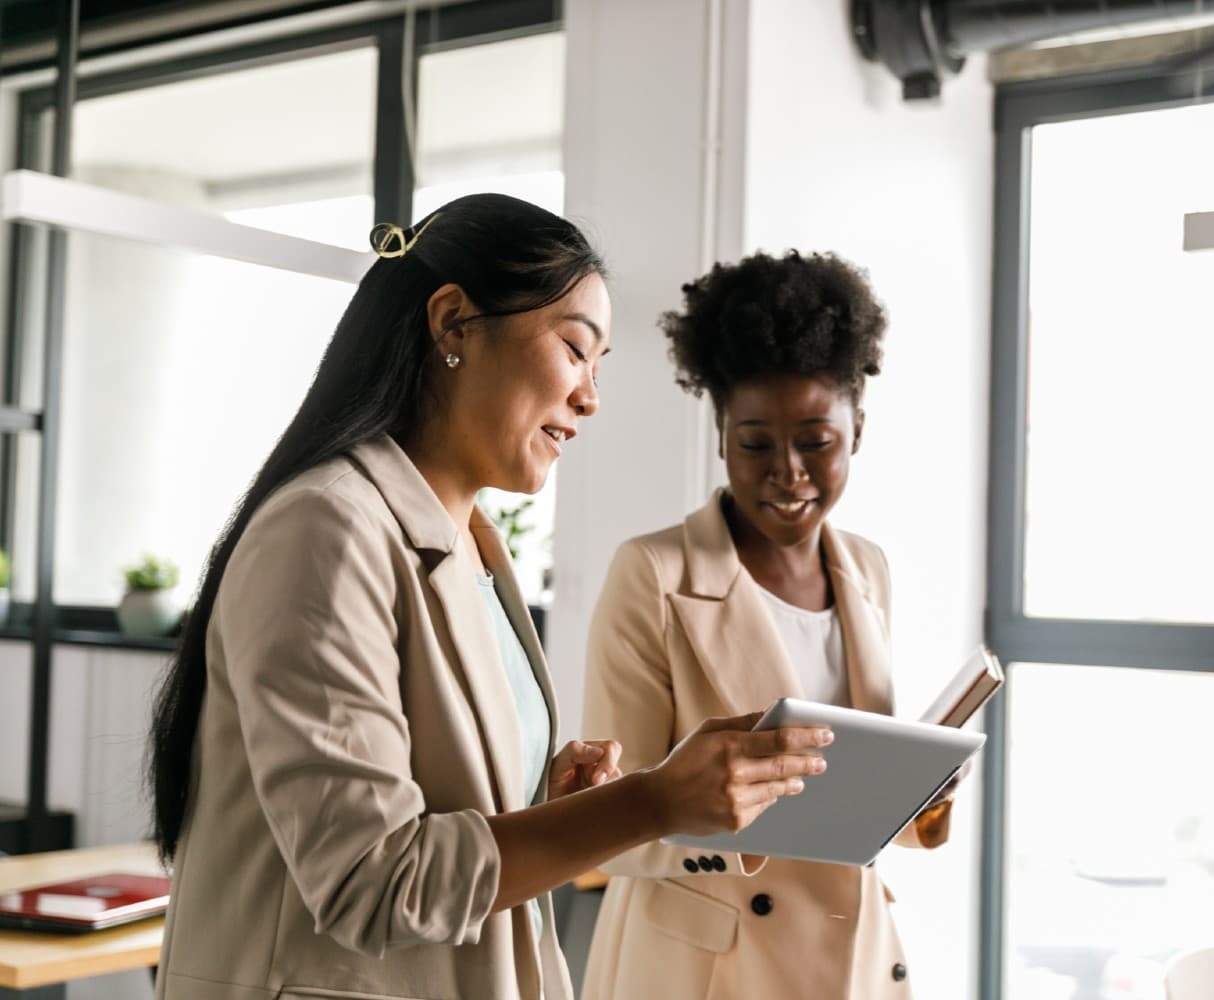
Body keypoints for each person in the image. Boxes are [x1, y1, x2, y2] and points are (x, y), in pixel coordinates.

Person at [147, 196, 832, 1000]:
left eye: (600, 366)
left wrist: (547, 796)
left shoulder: (471, 545)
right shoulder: (325, 529)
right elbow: (373, 880)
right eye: (576, 350)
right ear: (452, 325)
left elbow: (441, 802)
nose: (590, 398)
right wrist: (651, 802)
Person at [580, 250, 958, 1000]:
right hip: (710, 970)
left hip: (852, 960)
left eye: (817, 441)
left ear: (858, 430)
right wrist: (741, 819)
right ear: (722, 436)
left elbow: (853, 790)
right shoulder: (652, 575)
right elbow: (608, 824)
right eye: (756, 443)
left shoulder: (868, 570)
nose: (788, 471)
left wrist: (918, 795)